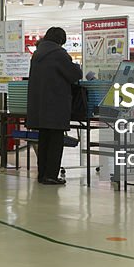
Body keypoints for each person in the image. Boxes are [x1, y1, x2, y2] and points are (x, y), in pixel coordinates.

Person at [26, 26, 82, 185]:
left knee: (44, 141)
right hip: (56, 105)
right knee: (56, 142)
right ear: (60, 40)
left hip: (39, 106)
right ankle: (51, 175)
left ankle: (42, 174)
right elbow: (74, 75)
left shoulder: (37, 54)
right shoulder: (58, 54)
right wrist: (77, 66)